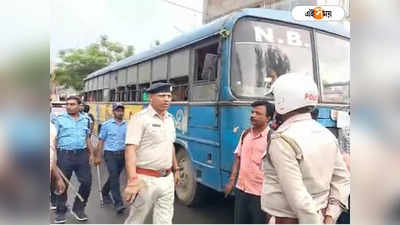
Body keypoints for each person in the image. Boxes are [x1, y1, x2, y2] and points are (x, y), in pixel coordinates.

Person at [260, 73, 350, 224]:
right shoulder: (326, 134)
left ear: (283, 102)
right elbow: (342, 179)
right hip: (321, 216)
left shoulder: (282, 140)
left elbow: (297, 196)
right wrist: (329, 217)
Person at [123, 83, 180, 224]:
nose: (166, 99)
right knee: (136, 219)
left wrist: (176, 168)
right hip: (145, 180)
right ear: (150, 97)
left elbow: (170, 145)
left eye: (169, 96)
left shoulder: (170, 119)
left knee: (165, 220)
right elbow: (130, 150)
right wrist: (132, 181)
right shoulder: (140, 118)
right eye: (162, 96)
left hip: (167, 178)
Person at [224, 100, 275, 224]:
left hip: (261, 195)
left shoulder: (273, 139)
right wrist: (231, 182)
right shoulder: (245, 134)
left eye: (258, 113)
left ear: (268, 118)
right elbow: (238, 158)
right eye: (252, 112)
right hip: (241, 190)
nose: (253, 115)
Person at [52, 95, 95, 223]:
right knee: (61, 184)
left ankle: (79, 208)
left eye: (72, 104)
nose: (69, 106)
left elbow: (87, 138)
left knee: (87, 182)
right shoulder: (58, 119)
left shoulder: (86, 119)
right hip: (64, 154)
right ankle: (60, 211)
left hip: (82, 154)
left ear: (79, 106)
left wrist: (92, 154)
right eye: (67, 104)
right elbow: (54, 139)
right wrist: (53, 157)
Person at [97, 102, 127, 214]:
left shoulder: (127, 125)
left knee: (114, 176)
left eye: (121, 110)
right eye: (117, 110)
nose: (120, 112)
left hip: (122, 154)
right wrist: (98, 156)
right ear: (113, 112)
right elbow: (101, 141)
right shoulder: (106, 125)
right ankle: (118, 203)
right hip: (110, 154)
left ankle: (105, 191)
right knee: (115, 178)